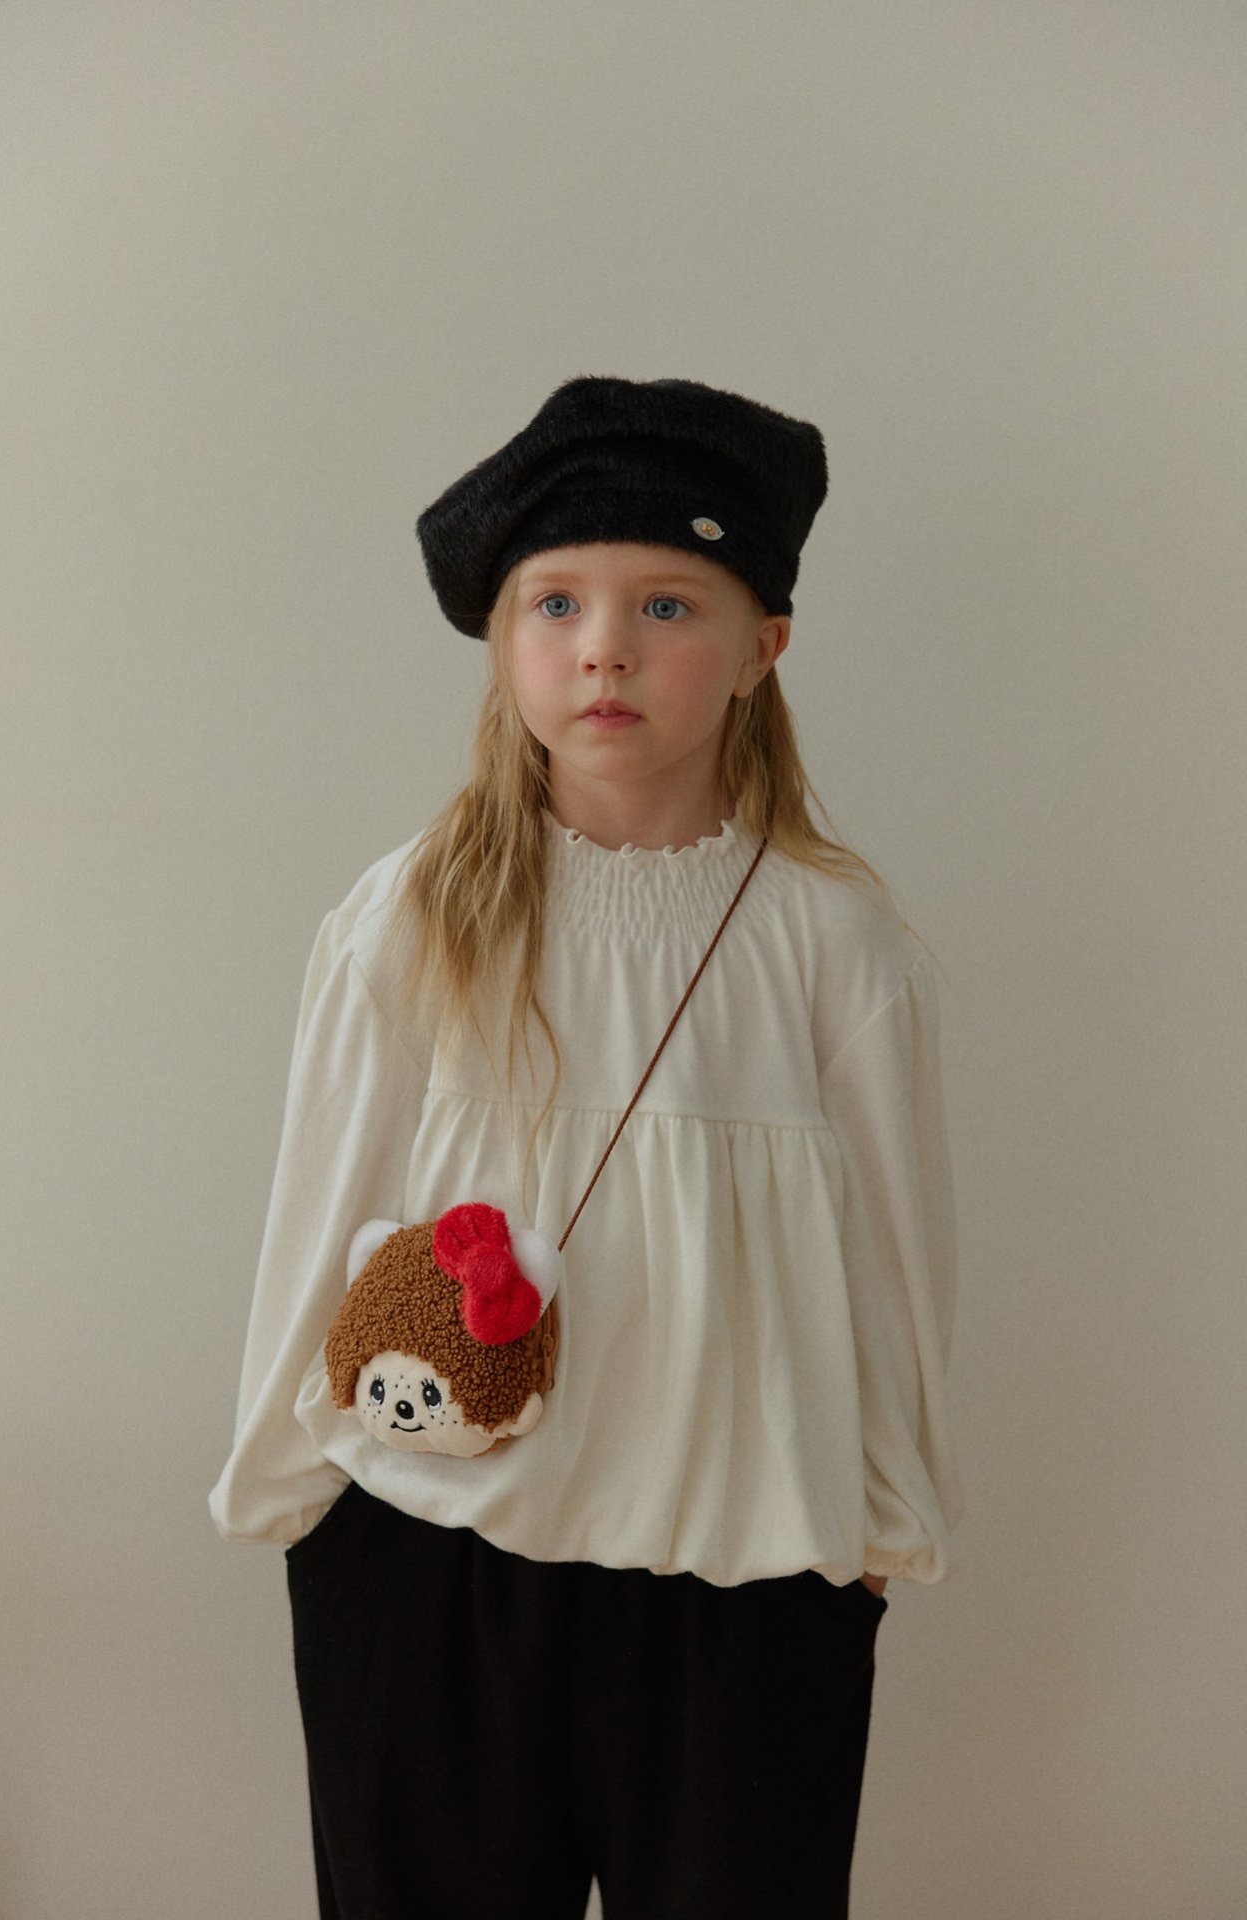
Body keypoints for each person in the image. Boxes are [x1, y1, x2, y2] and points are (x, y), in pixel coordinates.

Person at [208, 374, 965, 1919]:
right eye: (556, 602)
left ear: (763, 648)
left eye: (666, 604)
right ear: (504, 645)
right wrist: (294, 1497)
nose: (604, 646)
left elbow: (899, 1251)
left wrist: (889, 1517)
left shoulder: (836, 948)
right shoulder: (412, 915)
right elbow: (324, 1198)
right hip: (428, 1563)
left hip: (747, 1588)